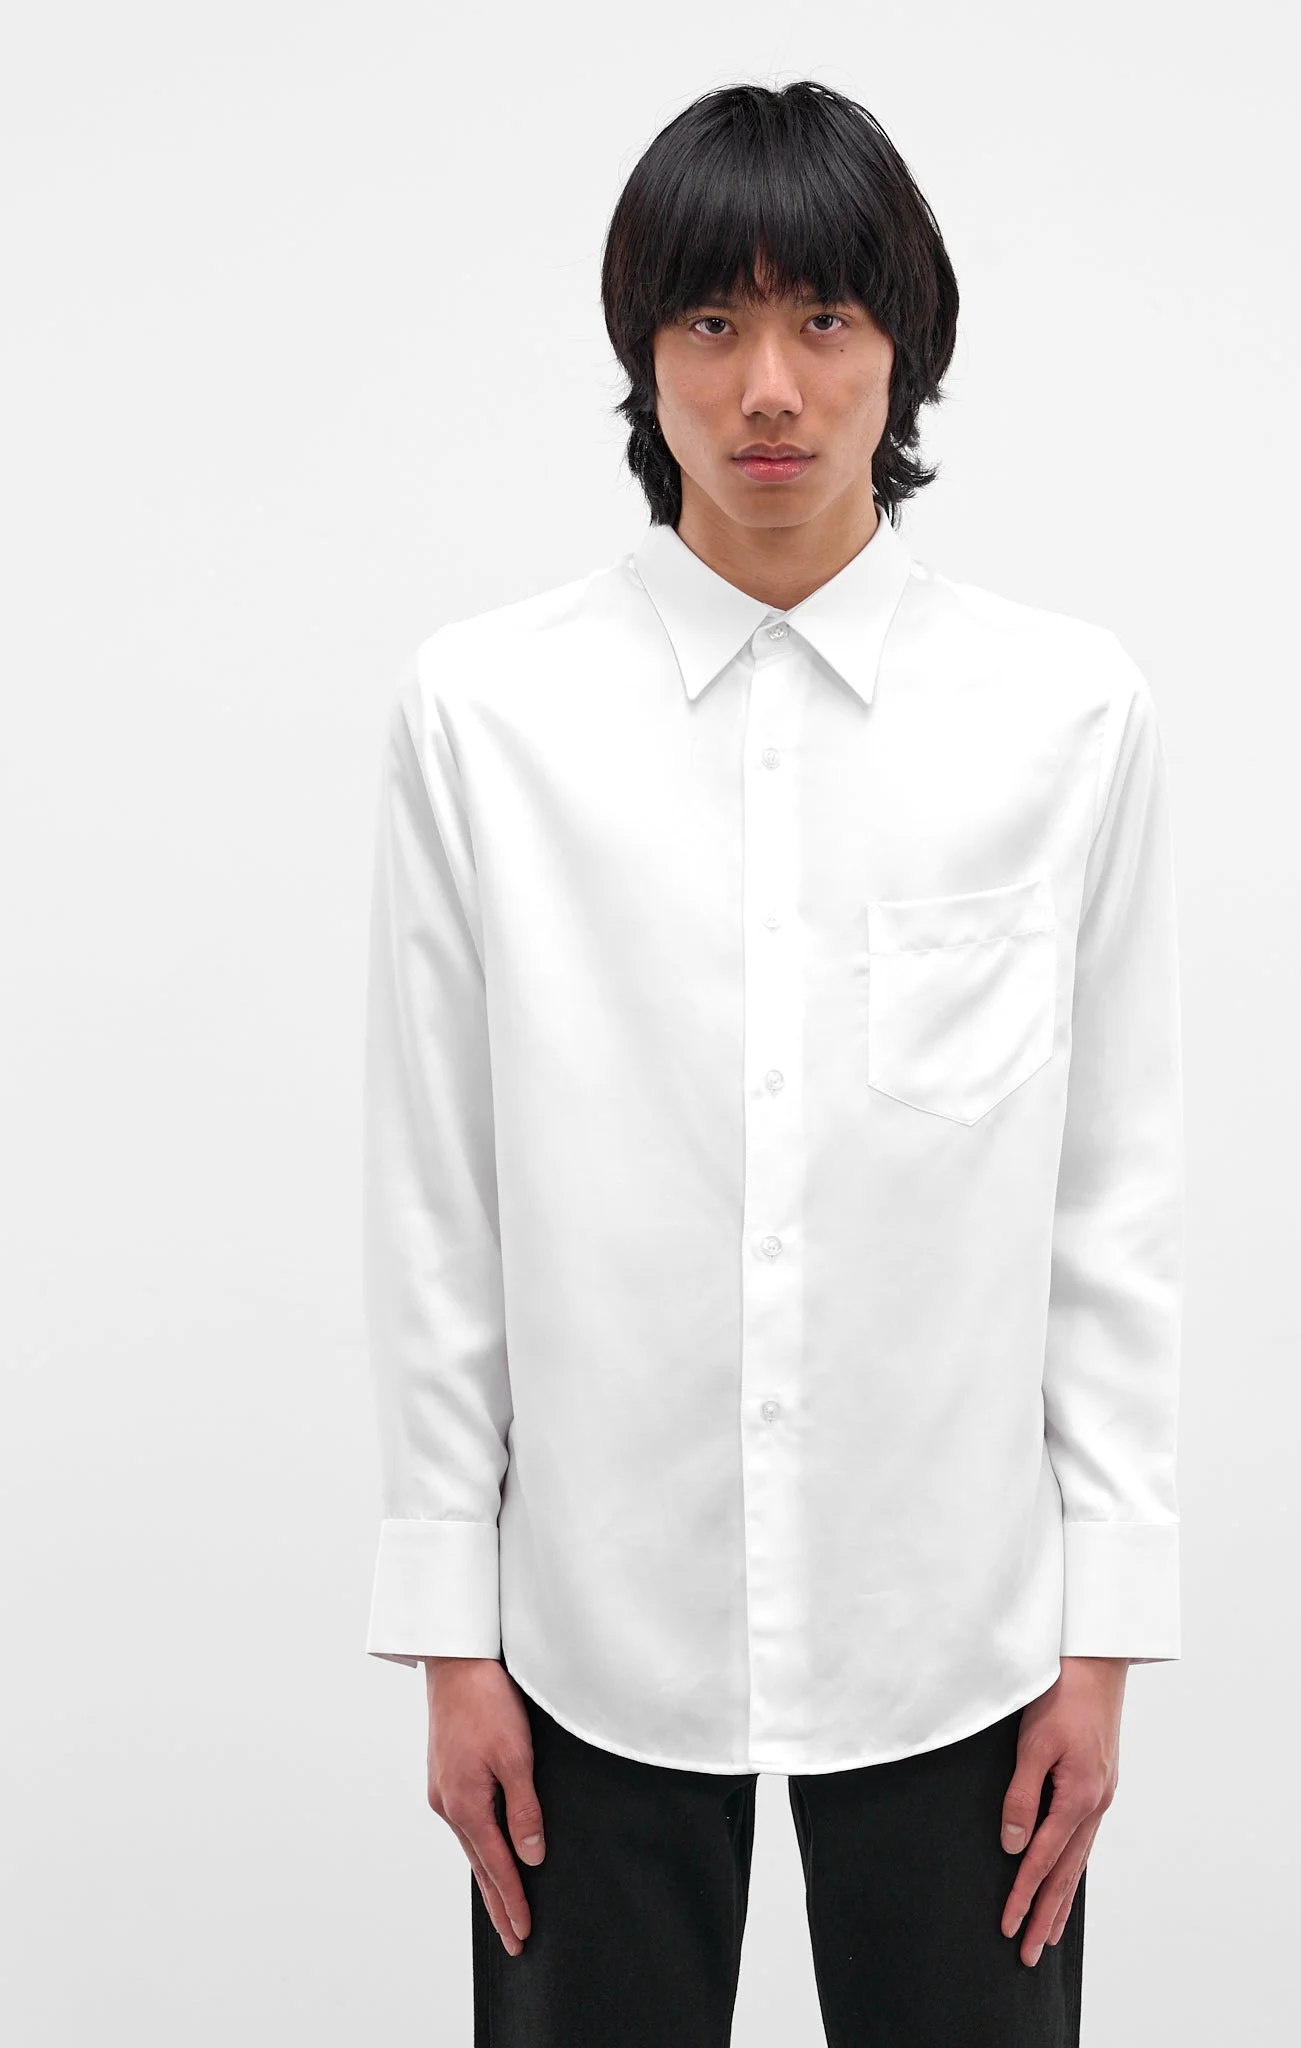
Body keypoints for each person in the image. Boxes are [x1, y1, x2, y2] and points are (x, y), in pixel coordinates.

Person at [361, 78, 1183, 2048]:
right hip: (586, 1639)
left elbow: (1113, 1201)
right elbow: (437, 1201)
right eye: (710, 323)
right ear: (641, 355)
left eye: (825, 318)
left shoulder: (1067, 715)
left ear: (905, 349)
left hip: (963, 1638)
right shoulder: (484, 716)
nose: (769, 389)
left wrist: (1104, 1641)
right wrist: (450, 1641)